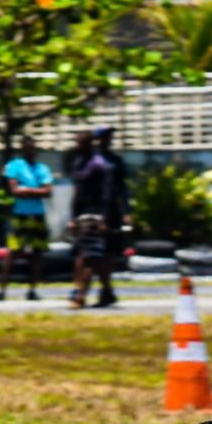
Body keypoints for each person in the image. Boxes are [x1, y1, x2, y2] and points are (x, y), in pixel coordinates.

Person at [0, 134, 54, 301]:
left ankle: (32, 289)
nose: (31, 152)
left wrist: (26, 190)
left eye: (33, 149)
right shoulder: (14, 166)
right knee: (13, 251)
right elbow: (14, 191)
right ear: (22, 149)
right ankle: (2, 290)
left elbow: (48, 191)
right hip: (20, 214)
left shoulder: (42, 168)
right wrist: (36, 191)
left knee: (37, 253)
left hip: (37, 214)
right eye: (27, 149)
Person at [65, 130, 112, 308]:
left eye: (81, 144)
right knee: (93, 257)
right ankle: (107, 291)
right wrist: (73, 218)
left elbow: (107, 194)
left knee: (87, 257)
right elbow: (77, 193)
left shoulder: (99, 165)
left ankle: (80, 296)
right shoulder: (79, 163)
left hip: (95, 214)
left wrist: (103, 219)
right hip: (81, 214)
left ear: (89, 144)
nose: (78, 147)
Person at [94, 126, 130, 308]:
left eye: (110, 137)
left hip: (113, 210)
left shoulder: (116, 161)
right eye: (105, 137)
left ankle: (106, 289)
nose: (108, 140)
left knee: (111, 252)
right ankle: (106, 288)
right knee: (95, 253)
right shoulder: (92, 160)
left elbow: (123, 188)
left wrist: (127, 211)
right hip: (94, 209)